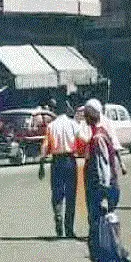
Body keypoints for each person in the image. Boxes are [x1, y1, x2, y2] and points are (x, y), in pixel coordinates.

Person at [82, 99, 128, 262]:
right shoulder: (98, 134)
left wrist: (102, 194)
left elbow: (104, 168)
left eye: (86, 113)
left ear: (92, 115)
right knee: (106, 232)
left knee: (100, 236)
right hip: (103, 191)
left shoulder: (98, 138)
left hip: (101, 192)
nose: (84, 116)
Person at [39, 100, 84, 238]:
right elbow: (81, 140)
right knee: (71, 196)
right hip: (70, 161)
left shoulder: (51, 126)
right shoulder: (73, 125)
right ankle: (69, 229)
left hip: (56, 162)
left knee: (57, 193)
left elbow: (45, 146)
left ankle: (58, 219)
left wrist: (41, 164)